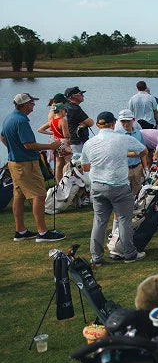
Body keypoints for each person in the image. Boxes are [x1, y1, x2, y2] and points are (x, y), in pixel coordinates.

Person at [82, 111, 147, 263]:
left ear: (98, 125)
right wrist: (123, 155)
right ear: (113, 124)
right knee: (125, 220)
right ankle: (129, 254)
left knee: (99, 222)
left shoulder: (89, 143)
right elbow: (143, 151)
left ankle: (96, 257)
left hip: (98, 186)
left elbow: (85, 167)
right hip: (119, 186)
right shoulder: (122, 139)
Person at [1, 93, 66, 243]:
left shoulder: (9, 118)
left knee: (19, 196)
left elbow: (2, 137)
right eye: (31, 103)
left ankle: (21, 231)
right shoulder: (21, 121)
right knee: (39, 195)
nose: (33, 105)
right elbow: (28, 145)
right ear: (24, 105)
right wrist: (51, 146)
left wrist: (13, 149)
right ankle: (42, 233)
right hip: (26, 164)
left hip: (14, 163)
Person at [114, 110, 149, 198]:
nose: (125, 124)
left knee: (137, 195)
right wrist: (135, 154)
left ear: (133, 120)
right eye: (123, 121)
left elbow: (143, 152)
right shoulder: (116, 135)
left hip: (137, 168)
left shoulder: (138, 133)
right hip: (123, 169)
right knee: (123, 196)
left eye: (128, 121)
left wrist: (145, 168)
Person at [37, 102, 72, 183]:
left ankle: (59, 182)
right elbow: (66, 135)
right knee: (68, 162)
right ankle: (66, 182)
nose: (65, 112)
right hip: (64, 143)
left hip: (56, 142)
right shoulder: (62, 121)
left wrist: (51, 133)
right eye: (64, 110)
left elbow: (40, 129)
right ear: (61, 111)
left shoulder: (52, 121)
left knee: (58, 165)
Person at [64, 86, 94, 154]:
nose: (83, 95)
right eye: (81, 94)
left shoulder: (66, 106)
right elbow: (91, 123)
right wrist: (84, 123)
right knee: (82, 163)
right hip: (78, 142)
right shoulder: (75, 109)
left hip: (72, 140)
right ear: (74, 96)